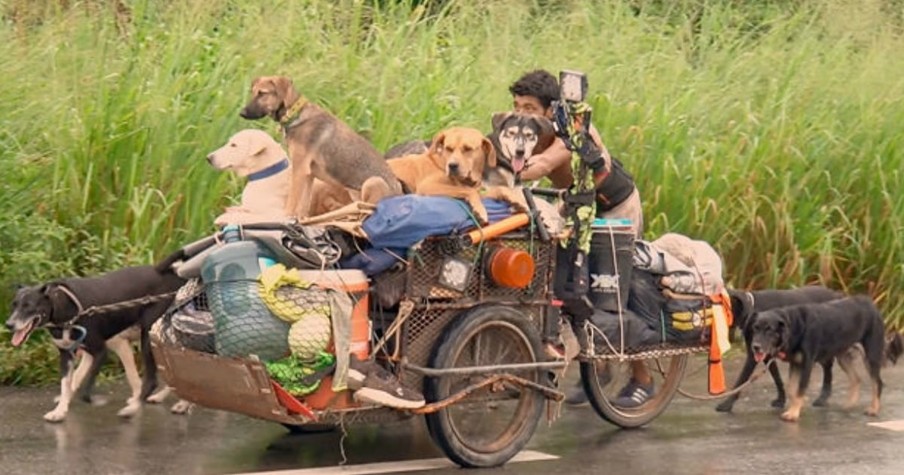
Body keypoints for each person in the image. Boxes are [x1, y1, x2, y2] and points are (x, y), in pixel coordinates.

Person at [509, 69, 652, 408]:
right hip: (575, 202)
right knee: (560, 280)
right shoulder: (521, 131)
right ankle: (595, 369)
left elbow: (543, 164)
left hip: (614, 207)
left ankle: (642, 377)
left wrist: (501, 171)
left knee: (614, 291)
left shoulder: (571, 126)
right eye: (516, 106)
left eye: (529, 108)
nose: (520, 114)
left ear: (549, 109)